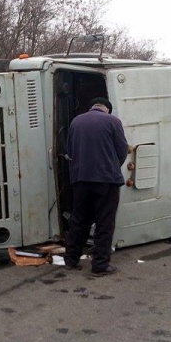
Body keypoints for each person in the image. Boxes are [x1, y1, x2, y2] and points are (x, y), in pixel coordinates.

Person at [64, 97, 129, 276]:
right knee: (104, 222)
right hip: (106, 181)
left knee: (79, 220)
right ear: (107, 109)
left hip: (80, 180)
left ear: (92, 107)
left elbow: (70, 152)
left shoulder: (76, 122)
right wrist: (112, 165)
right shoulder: (113, 121)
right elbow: (122, 151)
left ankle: (71, 259)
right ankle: (99, 265)